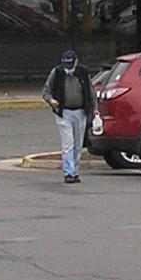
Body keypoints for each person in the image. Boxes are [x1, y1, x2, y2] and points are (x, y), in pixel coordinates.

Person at [43, 50, 94, 184]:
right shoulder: (57, 72)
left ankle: (75, 171)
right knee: (68, 144)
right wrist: (51, 101)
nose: (68, 69)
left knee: (77, 144)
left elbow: (91, 92)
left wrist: (95, 109)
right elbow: (46, 92)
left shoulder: (83, 72)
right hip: (63, 112)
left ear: (76, 62)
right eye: (66, 65)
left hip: (80, 112)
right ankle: (68, 172)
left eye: (70, 65)